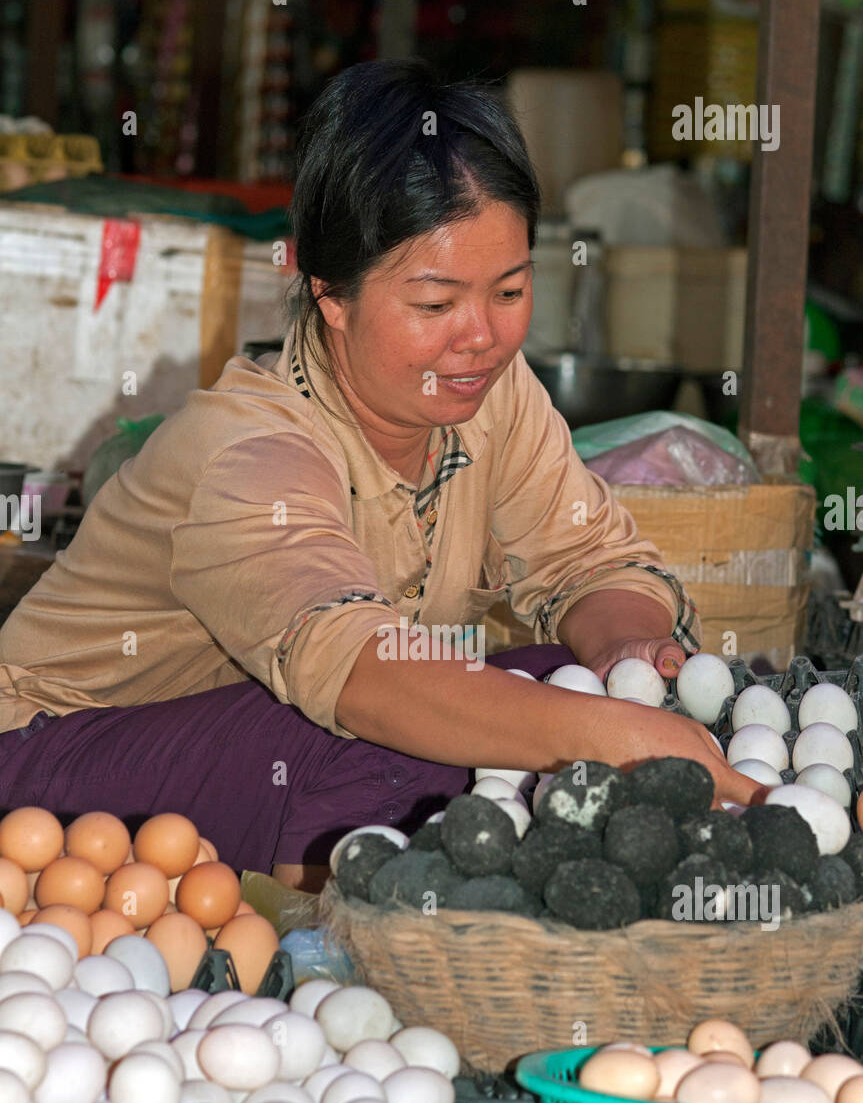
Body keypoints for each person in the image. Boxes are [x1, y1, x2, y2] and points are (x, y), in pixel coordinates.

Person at [0, 59, 760, 893]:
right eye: (434, 306)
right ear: (330, 294)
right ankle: (317, 918)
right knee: (403, 738)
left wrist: (626, 648)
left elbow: (586, 561)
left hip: (263, 738)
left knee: (546, 684)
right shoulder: (250, 453)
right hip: (54, 758)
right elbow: (362, 677)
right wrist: (605, 736)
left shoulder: (493, 397)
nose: (479, 336)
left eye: (508, 290)